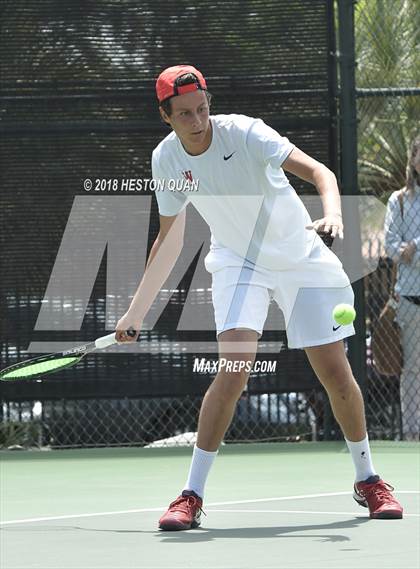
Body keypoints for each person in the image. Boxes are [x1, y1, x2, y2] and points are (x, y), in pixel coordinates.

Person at [116, 65, 403, 529]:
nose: (198, 120)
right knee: (232, 371)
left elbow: (319, 172)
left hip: (302, 254)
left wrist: (332, 215)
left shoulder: (246, 132)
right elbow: (168, 239)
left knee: (335, 372)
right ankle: (191, 494)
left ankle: (368, 479)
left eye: (202, 108)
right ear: (166, 115)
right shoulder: (167, 160)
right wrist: (134, 312)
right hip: (239, 263)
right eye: (185, 114)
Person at [384, 135, 420, 441]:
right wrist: (404, 251)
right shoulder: (398, 200)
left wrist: (415, 248)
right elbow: (391, 246)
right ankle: (412, 432)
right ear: (413, 161)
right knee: (411, 370)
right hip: (408, 299)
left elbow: (408, 251)